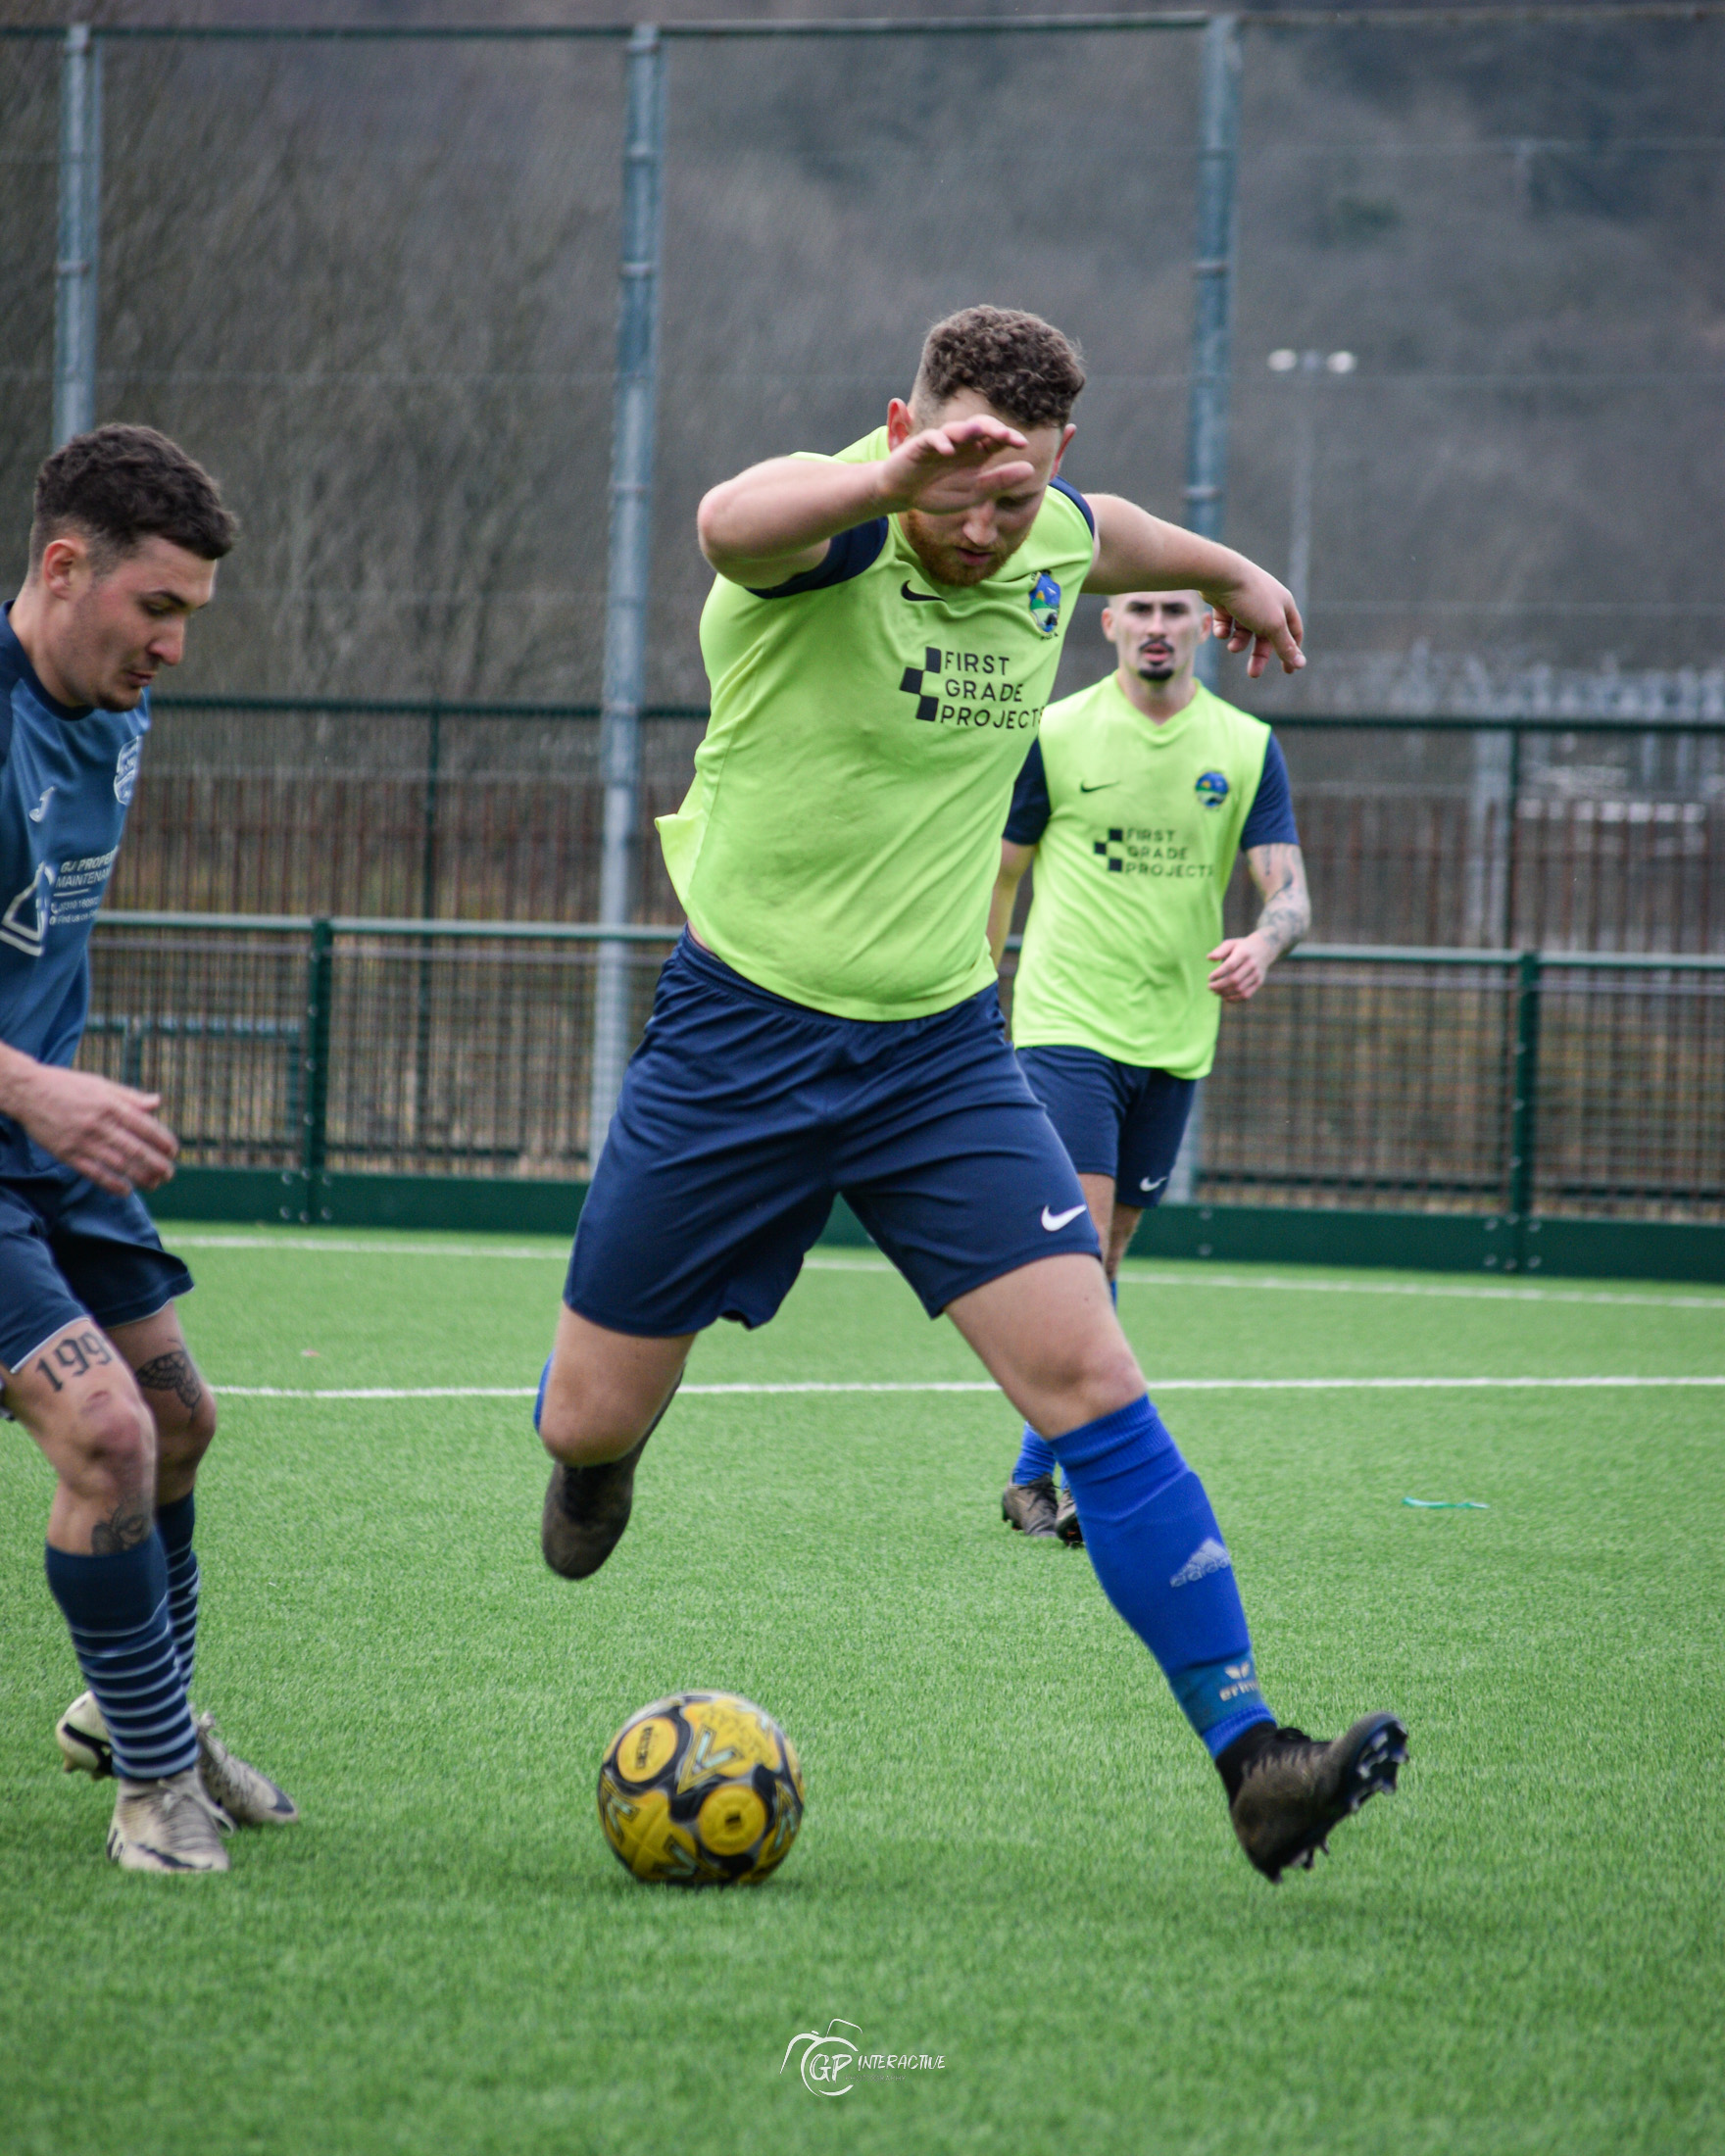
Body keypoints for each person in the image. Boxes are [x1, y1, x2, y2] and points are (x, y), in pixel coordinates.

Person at [535, 308, 1405, 1881]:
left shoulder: (1055, 533)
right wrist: (891, 483)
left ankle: (1257, 1755)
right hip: (736, 1036)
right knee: (588, 1418)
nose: (989, 530)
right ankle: (596, 1469)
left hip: (938, 1057)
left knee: (1094, 1384)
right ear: (901, 428)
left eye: (1020, 495)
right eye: (962, 487)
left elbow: (1117, 526)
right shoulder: (829, 533)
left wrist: (1233, 576)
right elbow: (730, 521)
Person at [0, 425, 296, 1874]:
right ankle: (152, 1789)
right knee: (106, 1434)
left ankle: (142, 1718)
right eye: (156, 609)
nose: (175, 645)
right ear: (64, 568)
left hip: (43, 1142)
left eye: (191, 616)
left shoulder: (115, 706)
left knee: (178, 1420)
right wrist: (35, 1088)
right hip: (20, 1119)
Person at [990, 588, 1310, 1545]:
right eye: (1141, 608)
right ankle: (1098, 1473)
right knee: (1082, 1248)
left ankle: (1025, 1476)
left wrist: (1264, 941)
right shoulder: (1054, 733)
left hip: (1173, 1040)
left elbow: (1285, 888)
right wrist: (974, 992)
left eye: (1177, 607)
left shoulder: (1244, 747)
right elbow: (999, 873)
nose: (1159, 624)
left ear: (1205, 625)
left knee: (1110, 1251)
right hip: (1063, 1023)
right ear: (1109, 624)